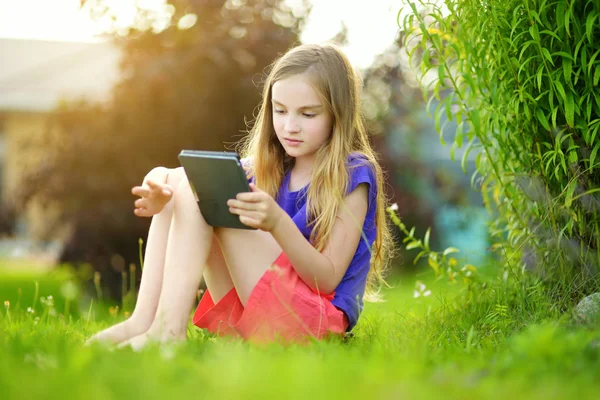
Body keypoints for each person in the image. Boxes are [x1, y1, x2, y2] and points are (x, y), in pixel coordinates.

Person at [86, 43, 393, 349]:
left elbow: (326, 280)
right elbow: (180, 175)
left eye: (308, 114)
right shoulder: (271, 165)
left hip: (313, 325)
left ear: (337, 114)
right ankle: (145, 320)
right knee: (191, 182)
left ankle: (169, 332)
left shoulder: (353, 174)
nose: (290, 126)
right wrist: (158, 186)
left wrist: (277, 222)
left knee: (200, 188)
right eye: (280, 110)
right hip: (255, 312)